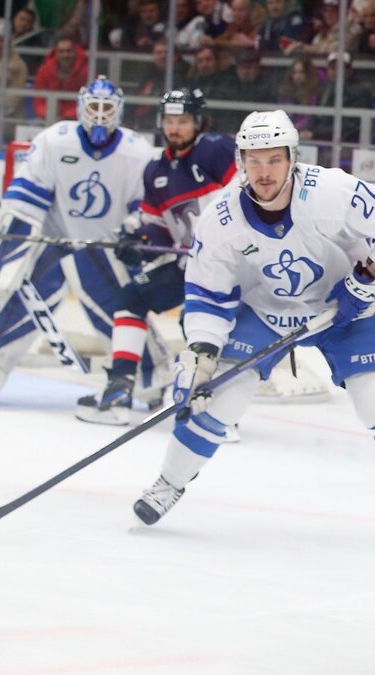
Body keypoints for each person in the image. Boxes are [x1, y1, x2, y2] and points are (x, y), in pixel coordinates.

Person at [131, 109, 375, 555]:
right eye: (254, 161)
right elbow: (208, 294)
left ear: (293, 157)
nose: (264, 171)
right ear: (240, 162)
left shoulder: (330, 190)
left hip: (344, 312)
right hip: (267, 312)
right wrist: (201, 353)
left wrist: (366, 278)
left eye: (274, 159)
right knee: (221, 398)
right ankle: (168, 483)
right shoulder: (221, 218)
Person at [0, 77, 164, 404]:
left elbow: (146, 206)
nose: (100, 114)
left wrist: (133, 232)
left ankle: (151, 380)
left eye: (107, 108)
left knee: (121, 313)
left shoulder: (137, 151)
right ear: (81, 108)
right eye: (93, 106)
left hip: (104, 249)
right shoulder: (55, 141)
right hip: (56, 242)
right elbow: (27, 196)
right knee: (20, 304)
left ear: (119, 111)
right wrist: (13, 241)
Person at [77, 88, 237, 426]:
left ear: (198, 122)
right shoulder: (155, 169)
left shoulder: (217, 150)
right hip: (189, 265)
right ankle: (119, 390)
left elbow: (247, 198)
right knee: (132, 297)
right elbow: (159, 227)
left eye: (183, 121)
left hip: (232, 266)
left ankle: (216, 408)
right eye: (170, 120)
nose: (175, 128)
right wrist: (139, 240)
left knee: (197, 321)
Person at [32, 36, 89, 121]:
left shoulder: (87, 72)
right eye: (61, 51)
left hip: (76, 119)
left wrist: (66, 116)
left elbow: (88, 103)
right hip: (48, 118)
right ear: (55, 53)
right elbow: (39, 101)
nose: (65, 55)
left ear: (75, 52)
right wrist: (49, 114)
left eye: (69, 51)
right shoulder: (44, 70)